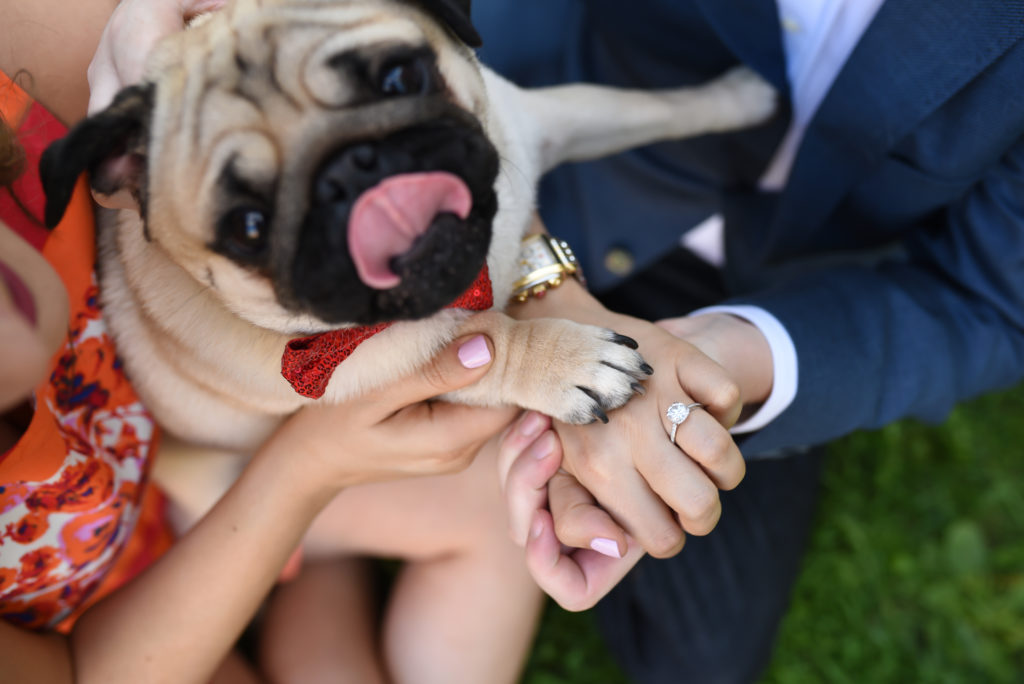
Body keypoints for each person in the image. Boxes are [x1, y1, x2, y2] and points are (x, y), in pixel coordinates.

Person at [3, 2, 551, 683]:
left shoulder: (24, 76)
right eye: (254, 224)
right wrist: (307, 469)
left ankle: (315, 567)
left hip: (194, 471)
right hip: (108, 626)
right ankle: (312, 567)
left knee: (497, 509)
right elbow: (89, 673)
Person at [485, 1, 1024, 682]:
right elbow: (440, 53)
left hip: (783, 293)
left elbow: (990, 298)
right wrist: (540, 284)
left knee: (701, 657)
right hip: (551, 175)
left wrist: (719, 367)